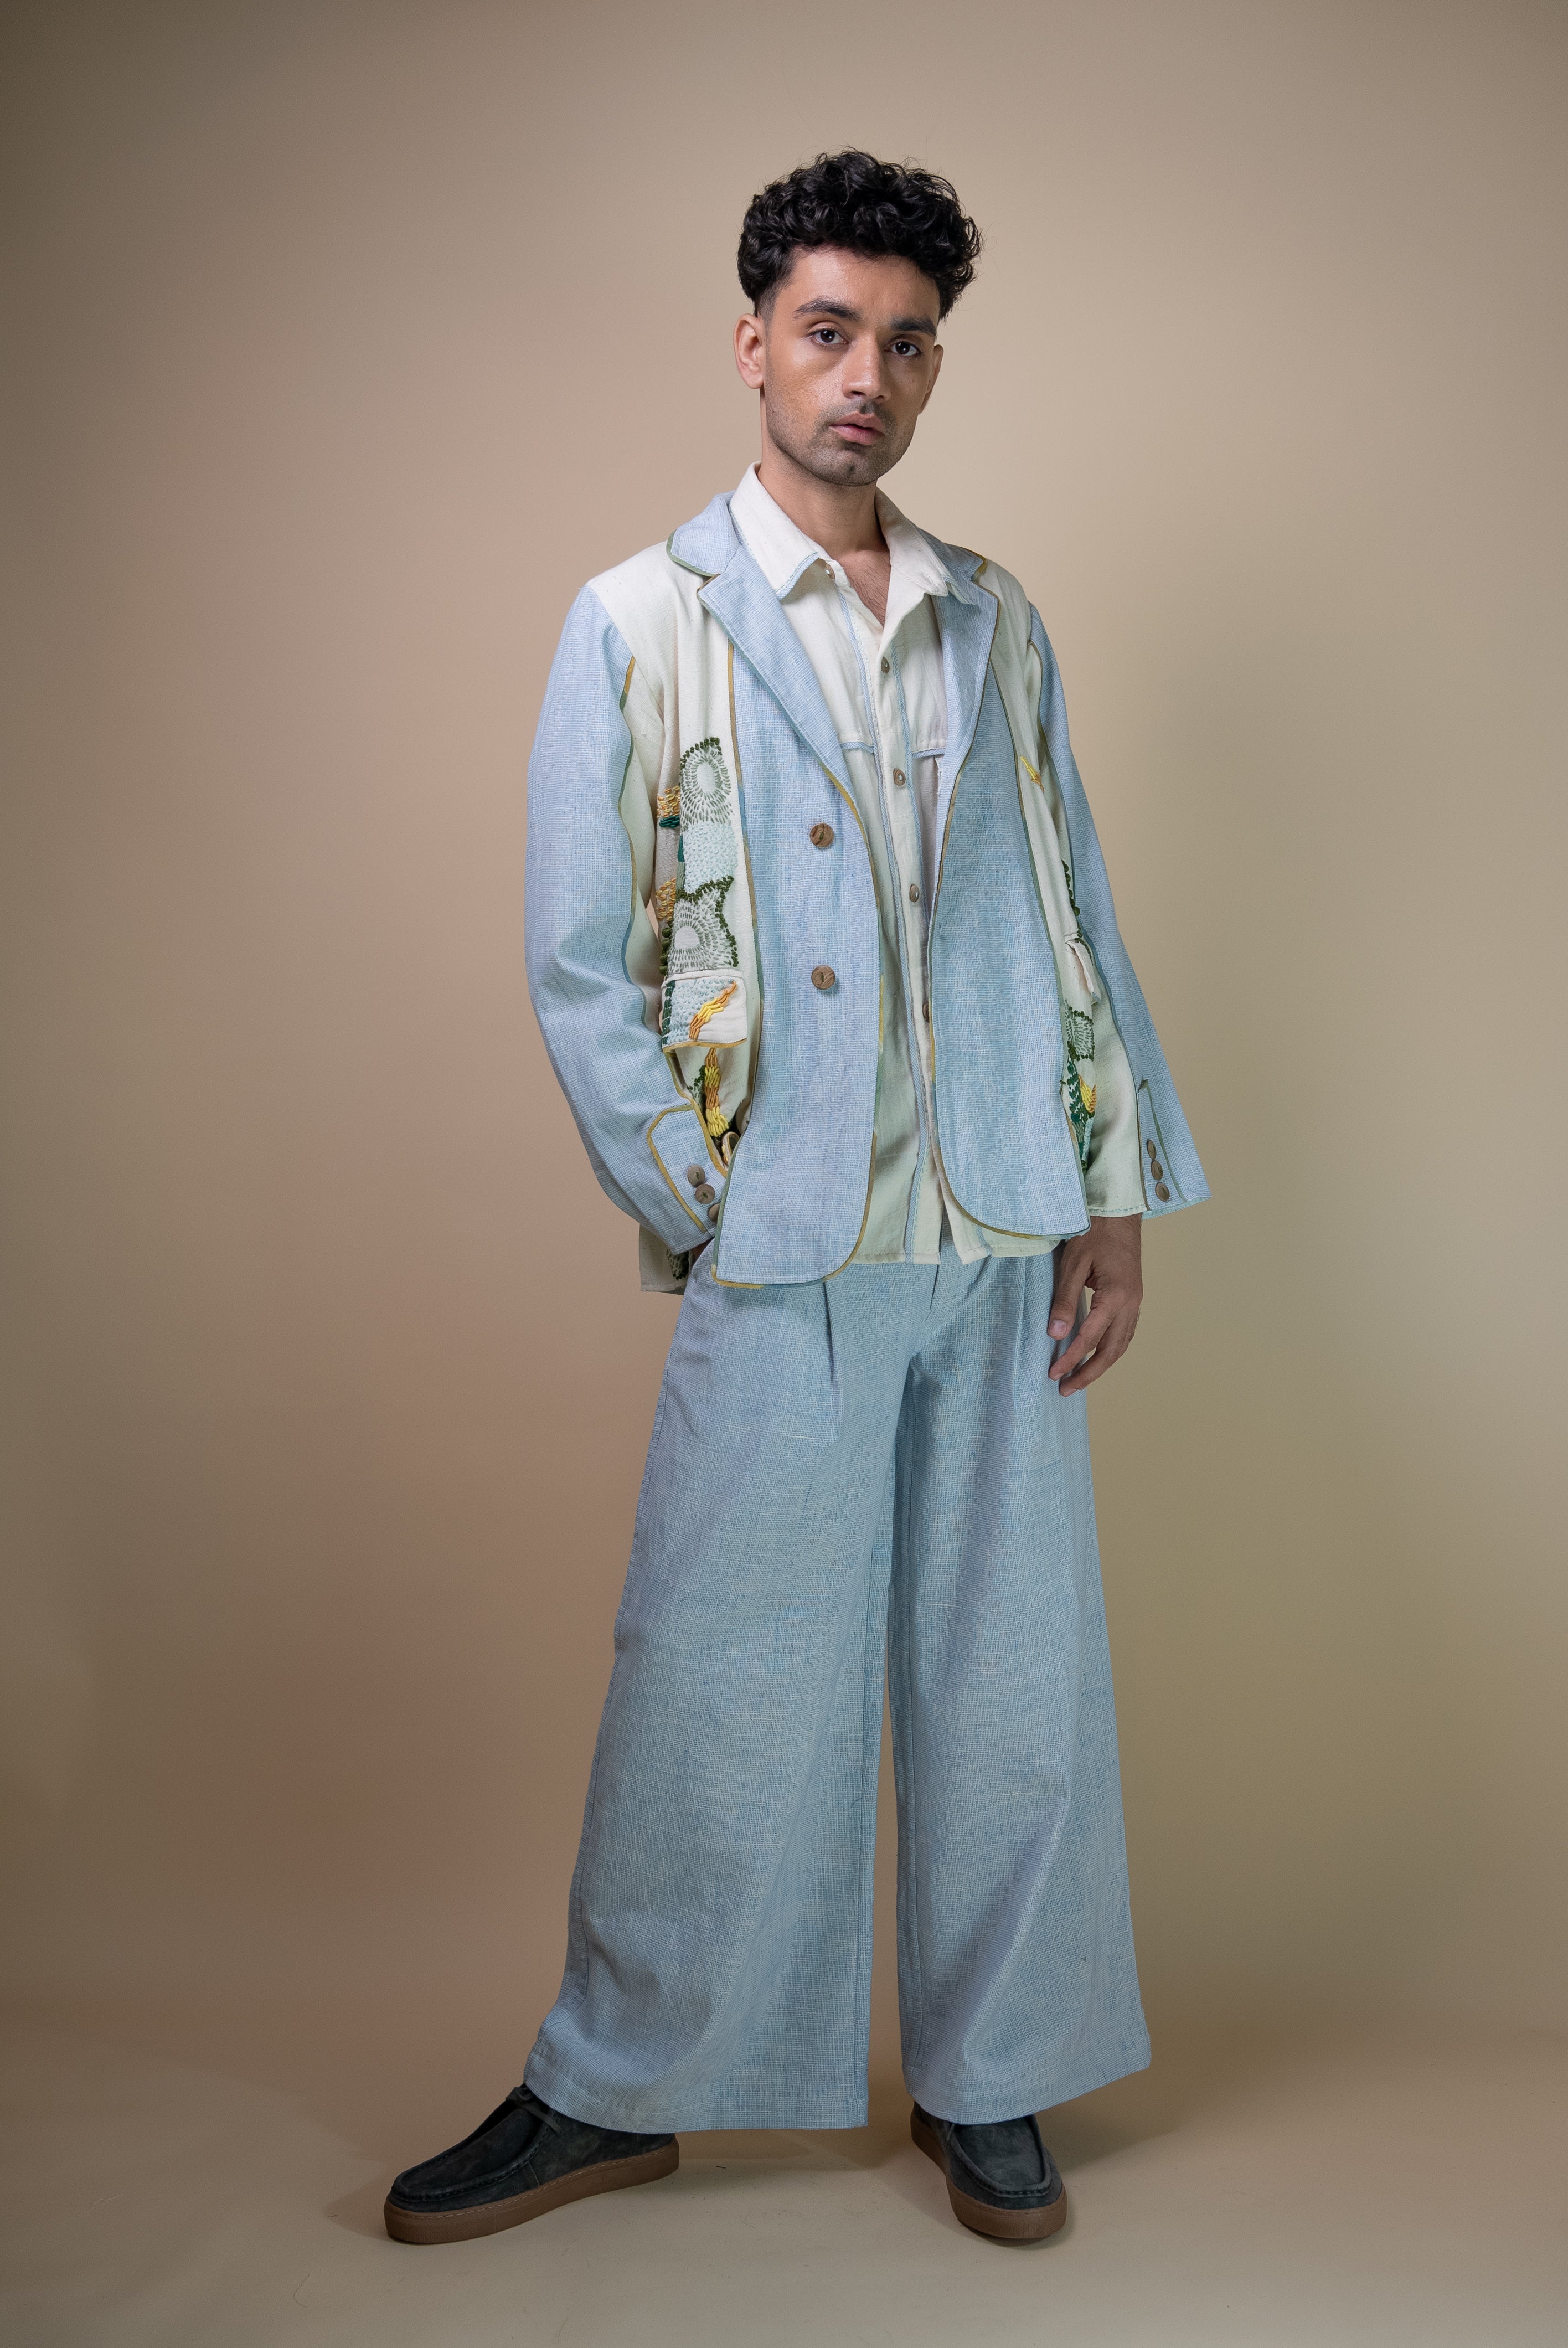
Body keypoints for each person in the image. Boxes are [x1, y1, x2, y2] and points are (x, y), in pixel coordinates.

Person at [384, 149, 1206, 2250]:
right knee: (717, 1668)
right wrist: (714, 1194)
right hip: (795, 1240)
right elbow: (584, 963)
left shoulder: (994, 617)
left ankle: (992, 2076)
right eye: (832, 332)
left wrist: (1112, 1196)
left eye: (909, 345)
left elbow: (1070, 907)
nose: (870, 378)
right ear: (752, 344)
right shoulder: (639, 620)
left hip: (1002, 1226)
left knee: (1011, 1676)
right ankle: (622, 2080)